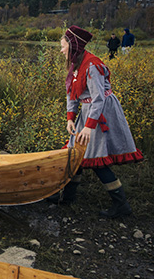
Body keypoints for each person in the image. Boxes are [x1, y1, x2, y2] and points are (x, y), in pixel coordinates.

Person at [50, 25, 143, 218]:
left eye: (63, 46)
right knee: (76, 154)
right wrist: (70, 118)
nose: (61, 50)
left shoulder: (92, 66)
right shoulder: (75, 64)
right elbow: (72, 94)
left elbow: (98, 98)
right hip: (89, 110)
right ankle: (68, 197)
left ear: (73, 45)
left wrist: (90, 127)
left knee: (96, 158)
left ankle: (121, 205)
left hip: (102, 112)